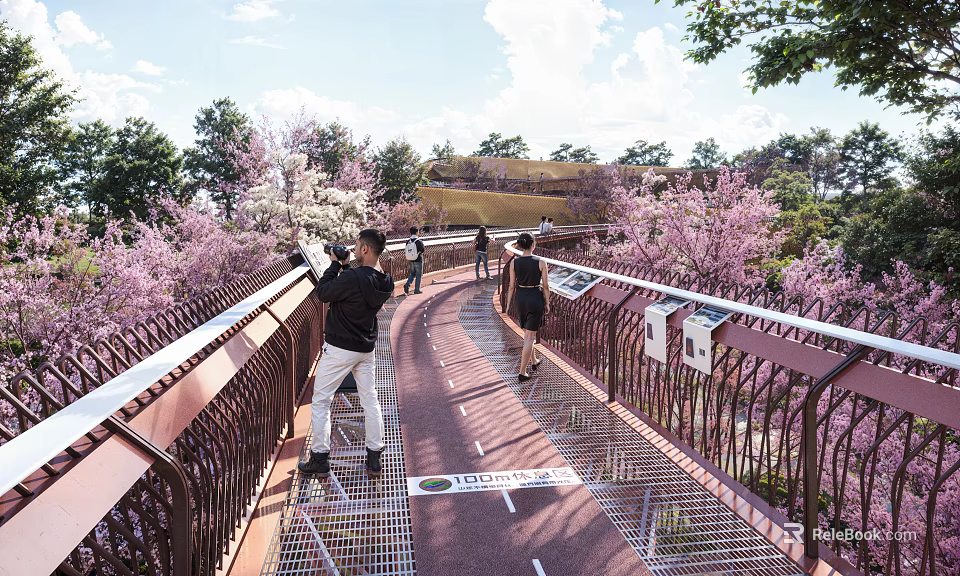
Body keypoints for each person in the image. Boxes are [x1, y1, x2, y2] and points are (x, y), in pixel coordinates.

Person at [298, 229, 396, 478]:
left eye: (357, 245)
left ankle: (320, 458)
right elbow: (361, 285)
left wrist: (334, 264)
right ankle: (374, 456)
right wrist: (346, 267)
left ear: (365, 249)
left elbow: (323, 293)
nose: (354, 249)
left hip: (340, 348)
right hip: (365, 349)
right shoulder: (386, 281)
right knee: (370, 400)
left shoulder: (352, 278)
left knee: (321, 401)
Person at [504, 233, 551, 382]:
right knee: (530, 337)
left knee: (527, 334)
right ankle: (522, 372)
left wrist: (508, 304)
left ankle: (534, 360)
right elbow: (546, 286)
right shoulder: (541, 261)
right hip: (535, 298)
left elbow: (511, 286)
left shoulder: (514, 262)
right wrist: (547, 302)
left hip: (520, 298)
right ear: (532, 245)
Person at [403, 226, 425, 295]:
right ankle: (417, 290)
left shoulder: (408, 241)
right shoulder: (418, 241)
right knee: (418, 275)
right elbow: (422, 250)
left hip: (411, 260)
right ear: (417, 232)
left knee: (412, 274)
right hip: (418, 260)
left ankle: (407, 284)